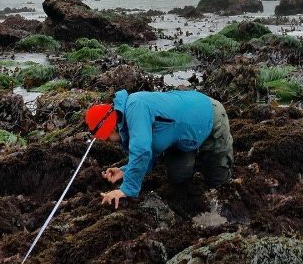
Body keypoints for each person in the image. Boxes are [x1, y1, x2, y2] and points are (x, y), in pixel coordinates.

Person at [85, 89, 233, 209]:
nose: (109, 142)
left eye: (106, 138)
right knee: (178, 178)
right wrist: (126, 170)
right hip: (181, 138)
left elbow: (142, 150)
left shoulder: (135, 107)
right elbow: (147, 149)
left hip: (207, 117)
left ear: (110, 130)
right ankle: (198, 161)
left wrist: (126, 189)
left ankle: (209, 162)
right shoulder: (127, 120)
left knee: (220, 185)